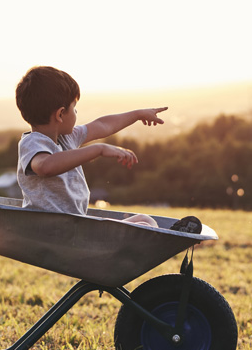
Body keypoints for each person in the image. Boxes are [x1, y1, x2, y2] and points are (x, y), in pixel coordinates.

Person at [15, 66, 199, 229]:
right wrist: (98, 149)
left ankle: (171, 235)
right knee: (142, 227)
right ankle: (168, 239)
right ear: (60, 114)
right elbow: (45, 166)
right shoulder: (32, 143)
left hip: (75, 226)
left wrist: (137, 114)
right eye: (74, 107)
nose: (77, 112)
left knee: (144, 220)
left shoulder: (66, 138)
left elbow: (102, 125)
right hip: (53, 231)